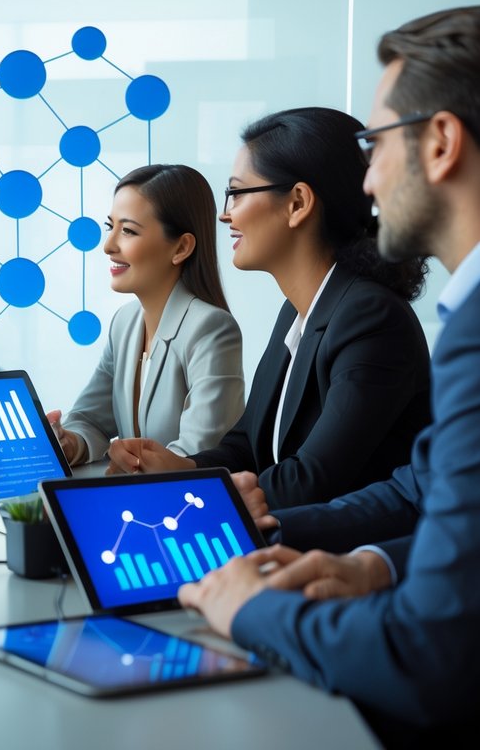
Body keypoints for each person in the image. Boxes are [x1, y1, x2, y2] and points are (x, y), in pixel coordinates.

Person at [178, 6, 480, 744]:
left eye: (373, 145)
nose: (368, 180)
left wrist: (248, 607)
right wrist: (370, 563)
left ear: (439, 143)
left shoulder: (412, 322)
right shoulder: (310, 311)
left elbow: (423, 659)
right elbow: (423, 483)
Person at [108, 107, 432, 510]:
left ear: (297, 202)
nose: (226, 214)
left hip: (346, 559)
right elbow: (245, 444)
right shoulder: (297, 311)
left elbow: (312, 479)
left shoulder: (371, 319)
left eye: (238, 193)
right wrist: (182, 467)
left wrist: (202, 496)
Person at [47, 164, 245, 467]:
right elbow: (90, 420)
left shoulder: (211, 328)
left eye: (127, 231)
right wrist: (69, 443)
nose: (108, 246)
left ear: (181, 247)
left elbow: (199, 452)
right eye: (109, 227)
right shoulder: (124, 323)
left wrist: (134, 466)